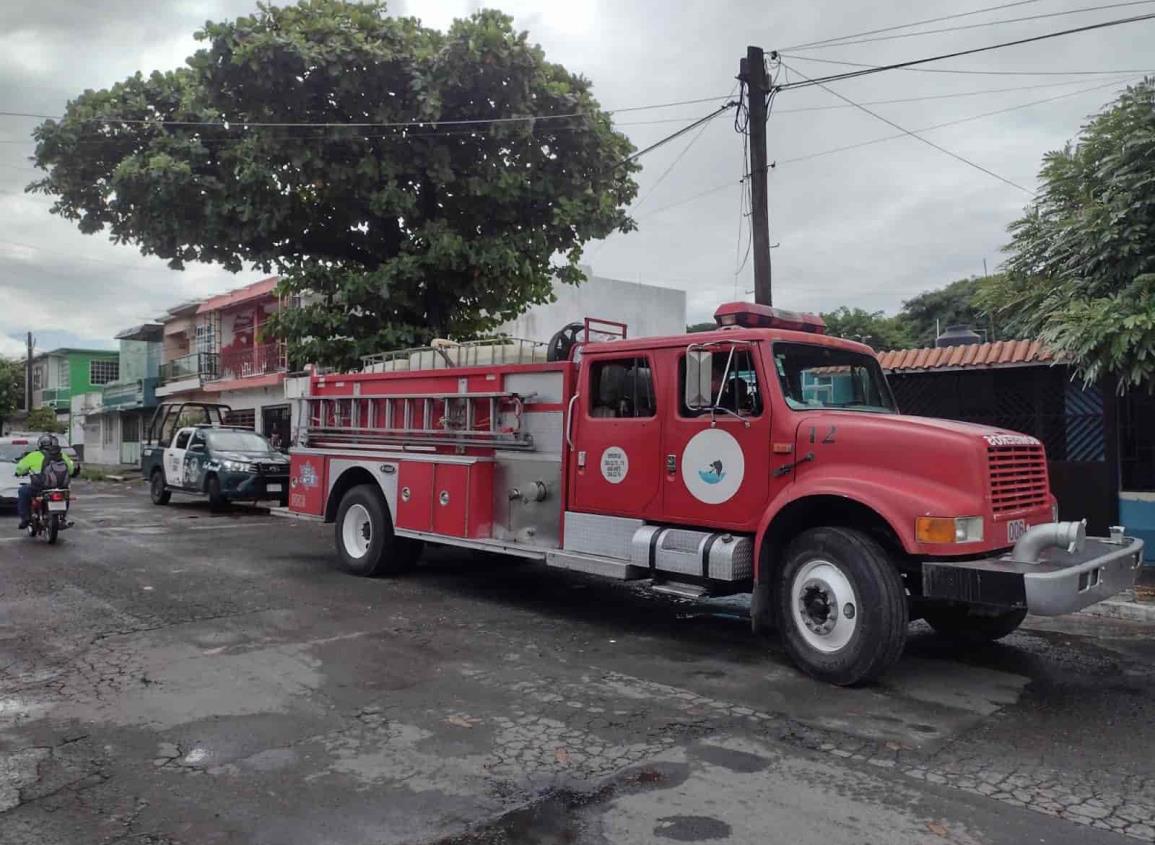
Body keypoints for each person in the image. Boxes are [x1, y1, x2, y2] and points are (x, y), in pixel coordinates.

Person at [14, 434, 74, 530]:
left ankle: (25, 519)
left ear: (40, 444)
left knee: (23, 491)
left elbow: (20, 469)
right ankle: (63, 518)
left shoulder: (33, 456)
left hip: (40, 487)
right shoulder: (62, 455)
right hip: (60, 486)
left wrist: (18, 473)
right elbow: (71, 470)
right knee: (64, 495)